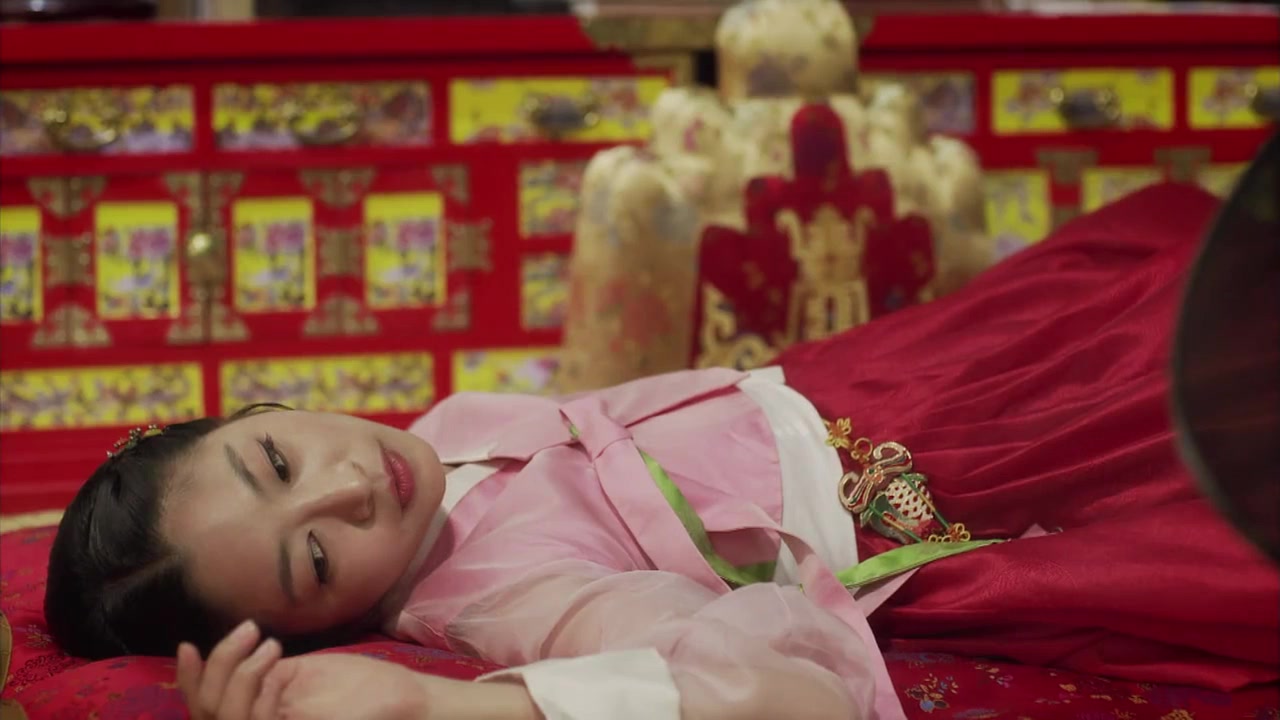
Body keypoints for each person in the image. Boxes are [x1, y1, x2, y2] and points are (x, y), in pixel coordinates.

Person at [44, 183, 1279, 720]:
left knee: (1182, 276)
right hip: (929, 477)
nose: (350, 483)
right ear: (332, 626)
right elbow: (782, 693)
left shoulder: (425, 443)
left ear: (257, 410)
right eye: (315, 558)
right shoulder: (499, 595)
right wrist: (442, 703)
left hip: (886, 377)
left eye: (276, 460)